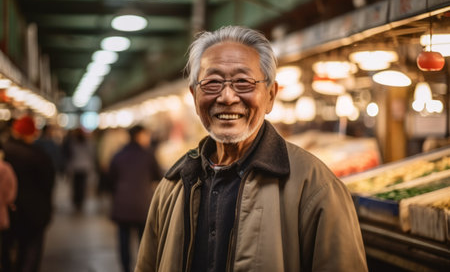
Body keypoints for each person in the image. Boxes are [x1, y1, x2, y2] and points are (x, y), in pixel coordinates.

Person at [135, 26, 368, 271]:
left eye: (243, 82)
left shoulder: (316, 188)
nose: (227, 97)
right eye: (212, 82)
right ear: (194, 96)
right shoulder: (173, 185)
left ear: (270, 95)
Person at [1, 115, 55, 272]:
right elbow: (49, 183)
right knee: (31, 251)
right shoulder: (38, 156)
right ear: (31, 133)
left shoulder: (4, 152)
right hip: (35, 212)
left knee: (9, 251)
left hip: (9, 211)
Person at [109, 125, 161, 272]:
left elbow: (110, 178)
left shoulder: (118, 154)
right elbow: (157, 176)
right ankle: (141, 268)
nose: (148, 138)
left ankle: (125, 267)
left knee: (123, 240)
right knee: (144, 241)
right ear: (139, 136)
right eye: (146, 135)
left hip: (122, 204)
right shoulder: (148, 155)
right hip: (142, 205)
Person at [63, 128, 96, 212]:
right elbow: (91, 154)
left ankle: (77, 201)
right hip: (83, 167)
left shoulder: (74, 143)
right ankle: (79, 201)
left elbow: (70, 155)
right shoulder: (87, 143)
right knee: (81, 185)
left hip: (76, 166)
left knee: (76, 185)